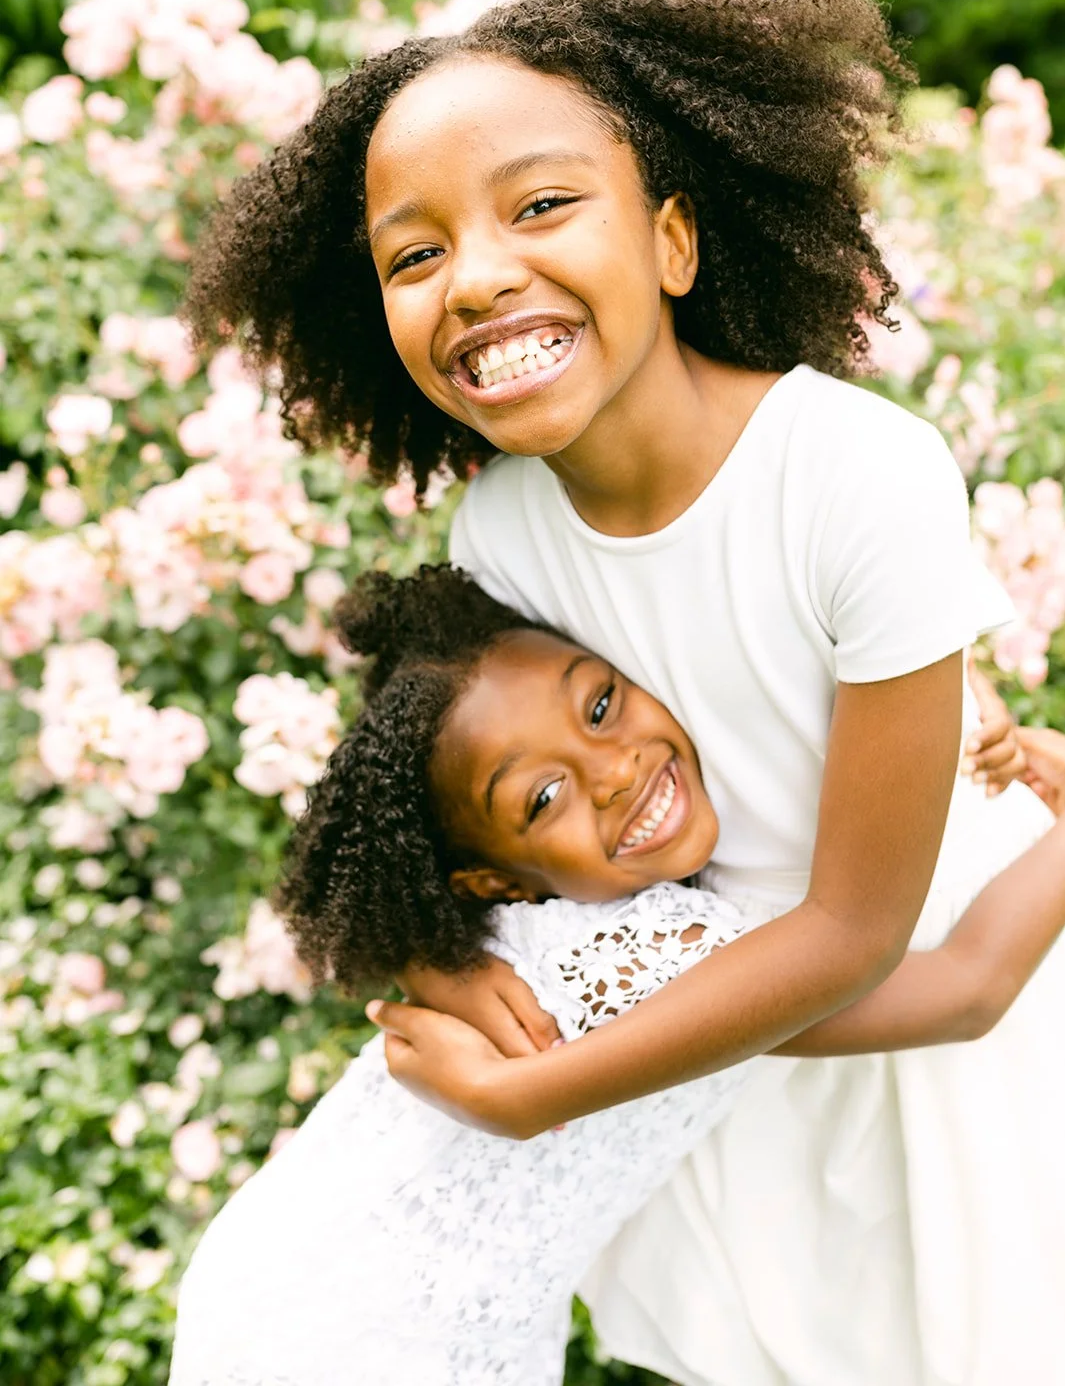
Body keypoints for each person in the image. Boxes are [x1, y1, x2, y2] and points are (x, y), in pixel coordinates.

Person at [181, 0, 1065, 1383]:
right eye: (414, 255)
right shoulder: (504, 530)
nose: (475, 275)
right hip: (732, 1081)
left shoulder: (856, 477)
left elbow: (858, 935)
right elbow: (481, 807)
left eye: (540, 206)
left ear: (671, 238)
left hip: (957, 1048)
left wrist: (535, 1095)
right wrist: (431, 957)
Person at [169, 568, 1065, 1386]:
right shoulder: (642, 961)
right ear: (492, 883)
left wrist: (938, 678)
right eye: (543, 799)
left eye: (599, 706)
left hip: (356, 1295)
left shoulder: (517, 932)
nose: (614, 771)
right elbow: (965, 987)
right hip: (354, 1331)